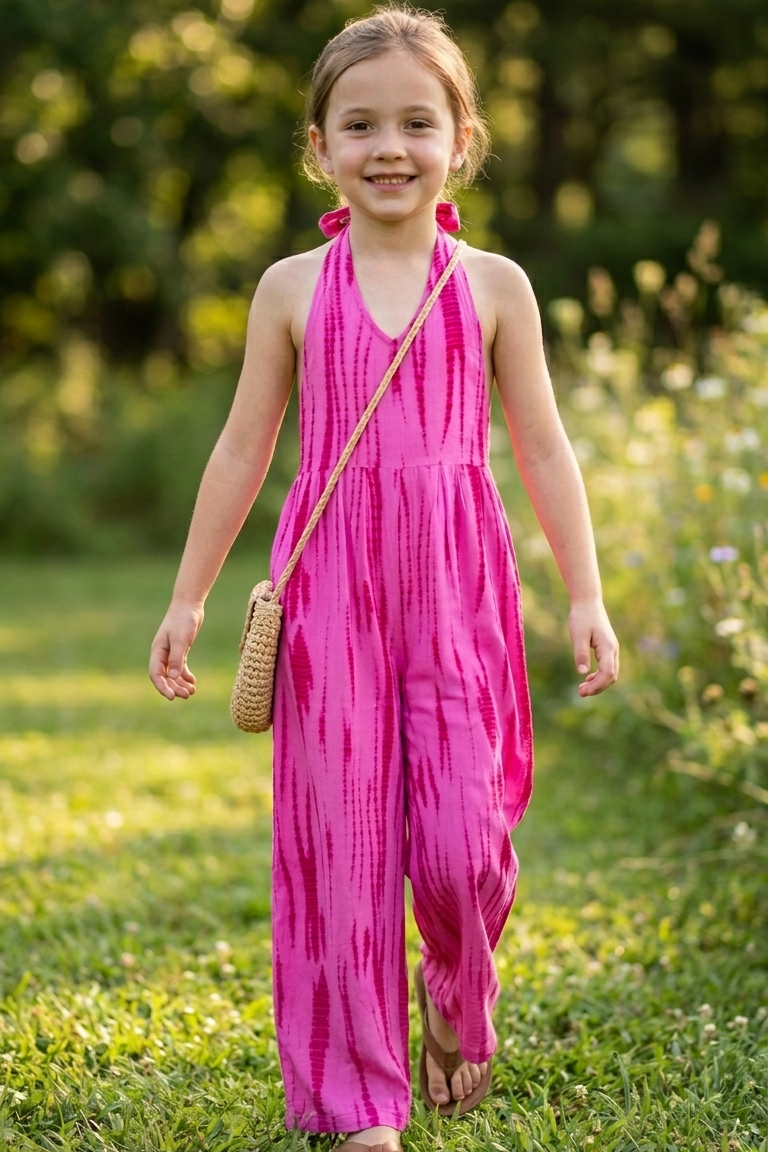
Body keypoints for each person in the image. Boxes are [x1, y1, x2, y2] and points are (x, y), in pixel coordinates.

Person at [149, 5, 619, 1149]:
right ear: (320, 147)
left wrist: (591, 593)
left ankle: (459, 1003)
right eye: (359, 124)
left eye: (417, 120)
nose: (389, 146)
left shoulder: (497, 286)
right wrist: (189, 593)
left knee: (465, 842)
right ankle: (363, 1103)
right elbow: (241, 448)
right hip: (332, 595)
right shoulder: (290, 289)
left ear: (463, 138)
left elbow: (545, 447)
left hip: (459, 589)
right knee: (347, 850)